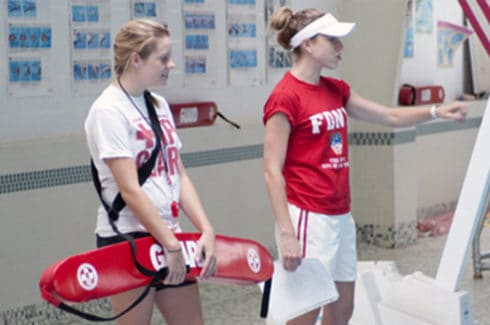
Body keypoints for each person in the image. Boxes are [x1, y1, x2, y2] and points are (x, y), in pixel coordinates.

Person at [263, 7, 469, 325]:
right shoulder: (285, 97)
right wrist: (288, 233)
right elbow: (271, 171)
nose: (340, 48)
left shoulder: (336, 90)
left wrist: (436, 111)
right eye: (333, 40)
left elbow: (388, 115)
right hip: (307, 217)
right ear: (308, 44)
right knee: (305, 312)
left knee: (343, 309)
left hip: (340, 215)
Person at [84, 19, 216, 325]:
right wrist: (169, 243)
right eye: (163, 58)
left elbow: (178, 174)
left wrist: (205, 229)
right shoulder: (108, 110)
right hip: (127, 238)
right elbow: (129, 189)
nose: (171, 65)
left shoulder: (157, 104)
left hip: (169, 233)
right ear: (136, 60)